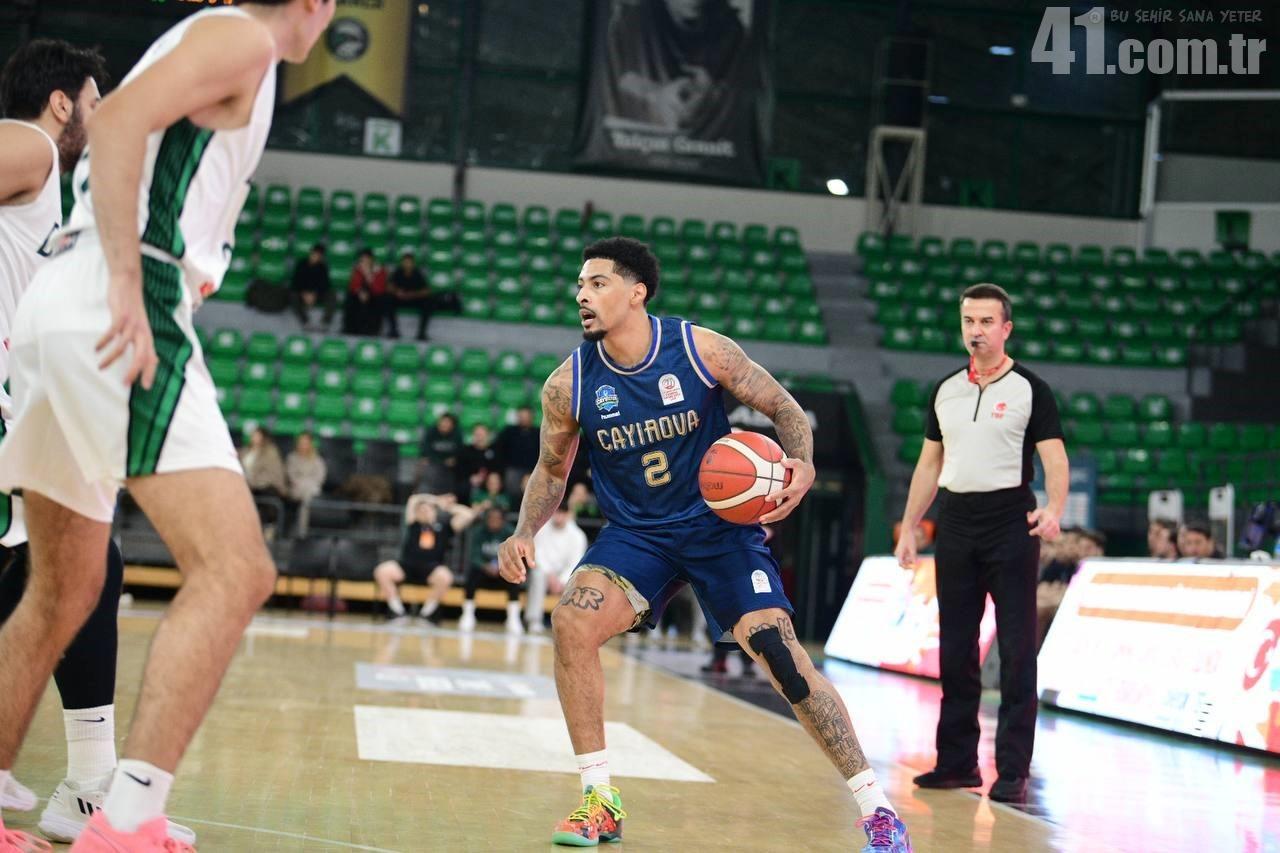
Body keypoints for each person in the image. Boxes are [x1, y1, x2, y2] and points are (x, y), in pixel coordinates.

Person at [0, 2, 335, 850]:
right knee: (236, 569)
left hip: (56, 300)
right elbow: (116, 125)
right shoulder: (243, 35)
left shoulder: (221, 42)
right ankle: (127, 821)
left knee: (62, 589)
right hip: (118, 293)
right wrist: (126, 277)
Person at [498, 237, 911, 852]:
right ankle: (599, 801)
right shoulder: (569, 384)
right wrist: (524, 530)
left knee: (780, 653)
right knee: (570, 624)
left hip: (718, 529)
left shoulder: (700, 349)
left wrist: (801, 463)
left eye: (597, 283)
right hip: (637, 534)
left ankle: (878, 810)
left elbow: (784, 407)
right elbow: (552, 469)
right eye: (580, 285)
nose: (582, 295)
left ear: (636, 293)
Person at [0, 38, 197, 850]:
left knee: (79, 565)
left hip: (22, 404)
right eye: (94, 98)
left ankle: (88, 782)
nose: (101, 112)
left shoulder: (56, 187)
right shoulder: (32, 144)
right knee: (69, 568)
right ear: (62, 103)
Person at [895, 282, 1068, 806]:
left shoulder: (1031, 389)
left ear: (1006, 328)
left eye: (987, 321)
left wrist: (1054, 509)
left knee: (1016, 650)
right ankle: (957, 763)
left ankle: (1012, 770)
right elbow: (929, 464)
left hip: (1010, 523)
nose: (977, 330)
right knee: (955, 648)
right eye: (969, 321)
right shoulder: (946, 389)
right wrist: (909, 525)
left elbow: (1055, 458)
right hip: (956, 522)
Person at [372, 493, 477, 621]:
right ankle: (397, 610)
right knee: (382, 571)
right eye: (421, 510)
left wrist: (447, 507)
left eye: (427, 509)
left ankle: (427, 613)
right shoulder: (413, 523)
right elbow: (413, 499)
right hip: (406, 565)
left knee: (446, 577)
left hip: (431, 568)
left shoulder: (444, 527)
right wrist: (436, 500)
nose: (424, 512)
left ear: (434, 511)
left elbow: (468, 514)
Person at [527, 503, 588, 633]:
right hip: (545, 572)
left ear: (568, 515)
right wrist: (550, 575)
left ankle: (569, 622)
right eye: (556, 512)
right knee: (537, 575)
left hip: (566, 575)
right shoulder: (541, 529)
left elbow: (575, 562)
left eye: (562, 513)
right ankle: (534, 620)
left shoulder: (578, 535)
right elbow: (537, 554)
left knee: (577, 579)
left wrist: (561, 580)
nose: (558, 516)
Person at [461, 506, 522, 634]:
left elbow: (514, 555)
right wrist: (485, 565)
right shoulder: (478, 532)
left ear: (502, 520)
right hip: (483, 572)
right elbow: (474, 555)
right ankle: (468, 614)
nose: (494, 521)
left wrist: (501, 566)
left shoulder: (510, 532)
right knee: (472, 573)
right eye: (491, 518)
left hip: (502, 572)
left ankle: (513, 618)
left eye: (497, 519)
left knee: (515, 576)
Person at [285, 431, 326, 535]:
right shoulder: (291, 457)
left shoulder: (317, 459)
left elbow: (320, 477)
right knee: (307, 497)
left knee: (307, 498)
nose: (303, 445)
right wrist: (304, 482)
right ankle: (302, 532)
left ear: (310, 444)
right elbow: (291, 476)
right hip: (295, 489)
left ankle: (302, 531)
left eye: (306, 442)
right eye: (301, 442)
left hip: (311, 489)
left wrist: (307, 483)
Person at [495, 406, 540, 497]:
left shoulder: (538, 433)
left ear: (532, 417)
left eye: (526, 416)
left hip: (534, 469)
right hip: (513, 468)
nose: (524, 419)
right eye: (521, 416)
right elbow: (499, 450)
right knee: (510, 478)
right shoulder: (509, 431)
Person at [288, 242, 335, 330]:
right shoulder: (301, 264)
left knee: (332, 295)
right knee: (292, 295)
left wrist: (314, 295)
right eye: (314, 254)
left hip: (316, 295)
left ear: (321, 257)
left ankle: (325, 322)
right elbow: (295, 282)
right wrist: (304, 294)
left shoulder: (323, 267)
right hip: (302, 294)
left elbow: (325, 285)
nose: (316, 256)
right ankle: (305, 321)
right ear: (311, 253)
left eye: (319, 255)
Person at [387, 251, 432, 340]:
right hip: (400, 298)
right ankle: (393, 330)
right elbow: (389, 287)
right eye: (405, 262)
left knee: (428, 302)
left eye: (409, 262)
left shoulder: (418, 273)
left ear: (413, 263)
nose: (407, 264)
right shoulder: (397, 272)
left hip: (414, 299)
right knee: (387, 299)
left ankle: (421, 333)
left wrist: (414, 294)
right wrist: (397, 291)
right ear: (402, 263)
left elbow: (427, 291)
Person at [342, 248, 387, 336]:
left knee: (380, 300)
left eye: (366, 259)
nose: (364, 262)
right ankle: (349, 329)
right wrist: (359, 292)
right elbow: (353, 285)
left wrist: (368, 275)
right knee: (349, 298)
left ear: (371, 259)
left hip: (374, 296)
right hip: (360, 295)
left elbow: (379, 289)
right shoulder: (357, 269)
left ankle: (372, 330)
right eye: (362, 259)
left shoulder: (380, 270)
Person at [417, 412, 462, 497]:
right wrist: (433, 459)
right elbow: (425, 450)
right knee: (429, 471)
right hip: (433, 463)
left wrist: (454, 459)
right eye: (443, 422)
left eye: (447, 422)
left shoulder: (457, 434)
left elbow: (460, 451)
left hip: (450, 466)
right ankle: (424, 496)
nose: (444, 424)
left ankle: (447, 497)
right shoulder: (431, 431)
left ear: (452, 425)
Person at [238, 426, 287, 498]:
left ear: (263, 437)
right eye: (253, 435)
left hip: (266, 487)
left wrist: (253, 483)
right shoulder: (245, 451)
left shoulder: (271, 452)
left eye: (257, 435)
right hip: (246, 484)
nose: (254, 437)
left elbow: (271, 475)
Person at [457, 422, 497, 498]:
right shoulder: (465, 451)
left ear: (488, 435)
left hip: (489, 482)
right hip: (471, 482)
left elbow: (498, 469)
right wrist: (471, 478)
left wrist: (488, 477)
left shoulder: (494, 450)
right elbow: (460, 471)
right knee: (462, 487)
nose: (480, 437)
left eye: (482, 434)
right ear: (473, 435)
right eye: (477, 434)